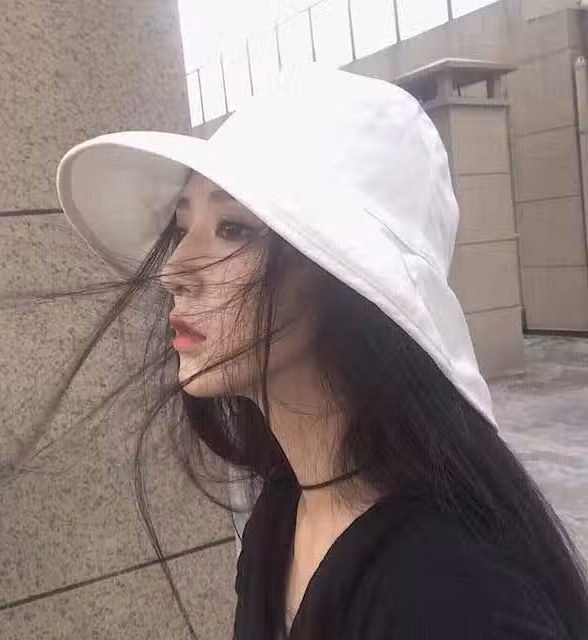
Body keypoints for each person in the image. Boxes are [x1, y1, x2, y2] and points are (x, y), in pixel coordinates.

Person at [53, 67, 588, 639]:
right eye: (183, 226)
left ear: (345, 279)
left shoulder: (452, 595)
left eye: (233, 228)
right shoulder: (282, 514)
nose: (173, 271)